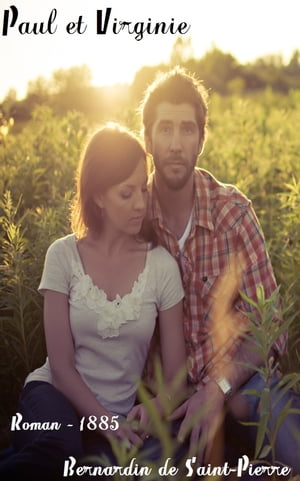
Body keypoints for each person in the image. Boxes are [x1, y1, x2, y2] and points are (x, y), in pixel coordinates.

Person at [0, 123, 187, 480]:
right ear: (98, 196)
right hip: (50, 399)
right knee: (58, 452)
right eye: (126, 193)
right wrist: (102, 420)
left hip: (116, 419)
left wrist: (157, 407)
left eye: (143, 191)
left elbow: (176, 376)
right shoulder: (63, 255)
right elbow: (60, 364)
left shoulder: (162, 266)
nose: (140, 204)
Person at [140, 67, 300, 475]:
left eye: (187, 130)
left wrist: (219, 387)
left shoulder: (233, 214)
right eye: (165, 129)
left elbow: (271, 327)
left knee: (293, 448)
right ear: (148, 138)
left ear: (202, 139)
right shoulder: (134, 222)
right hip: (173, 403)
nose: (176, 144)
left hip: (243, 386)